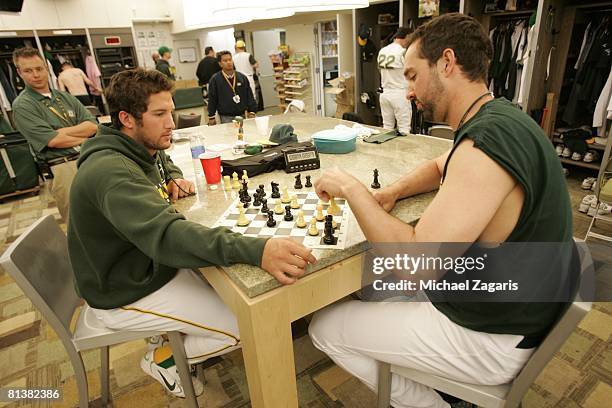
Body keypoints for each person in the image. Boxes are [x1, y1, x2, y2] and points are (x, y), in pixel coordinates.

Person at [309, 13, 574, 408]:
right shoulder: (502, 117)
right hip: (515, 305)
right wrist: (393, 192)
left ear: (447, 63)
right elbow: (439, 167)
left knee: (325, 327)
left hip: (491, 338)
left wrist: (351, 188)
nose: (409, 90)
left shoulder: (485, 143)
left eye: (413, 76)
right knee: (373, 288)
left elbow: (417, 262)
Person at [67, 68, 316, 398]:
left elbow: (161, 159)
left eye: (171, 110)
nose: (172, 122)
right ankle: (163, 358)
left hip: (145, 264)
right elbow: (169, 236)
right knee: (246, 326)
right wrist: (258, 249)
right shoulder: (112, 172)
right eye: (160, 114)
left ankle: (173, 336)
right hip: (121, 290)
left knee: (229, 291)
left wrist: (172, 175)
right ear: (127, 118)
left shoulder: (135, 145)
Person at [11, 47, 97, 220]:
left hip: (90, 159)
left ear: (46, 68)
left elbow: (93, 126)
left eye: (39, 68)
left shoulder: (64, 97)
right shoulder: (23, 105)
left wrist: (62, 132)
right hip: (63, 166)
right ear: (19, 73)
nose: (36, 75)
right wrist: (81, 137)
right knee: (79, 220)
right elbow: (54, 141)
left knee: (104, 212)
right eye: (28, 70)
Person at [377, 27, 413, 135]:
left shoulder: (383, 50)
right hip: (400, 93)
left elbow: (380, 70)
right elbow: (411, 73)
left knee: (387, 127)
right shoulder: (403, 52)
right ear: (407, 37)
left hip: (385, 94)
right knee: (404, 129)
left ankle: (387, 151)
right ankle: (403, 152)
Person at [207, 51, 257, 125]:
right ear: (220, 64)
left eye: (230, 60)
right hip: (225, 116)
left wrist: (252, 111)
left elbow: (249, 95)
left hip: (242, 114)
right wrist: (211, 116)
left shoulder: (242, 77)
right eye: (225, 61)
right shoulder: (215, 79)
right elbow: (212, 99)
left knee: (242, 134)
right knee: (229, 135)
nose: (228, 62)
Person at [233, 40, 259, 104]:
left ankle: (245, 112)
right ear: (244, 47)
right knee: (252, 96)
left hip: (238, 79)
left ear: (236, 48)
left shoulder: (233, 58)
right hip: (249, 78)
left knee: (242, 97)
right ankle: (253, 112)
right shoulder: (248, 55)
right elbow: (255, 65)